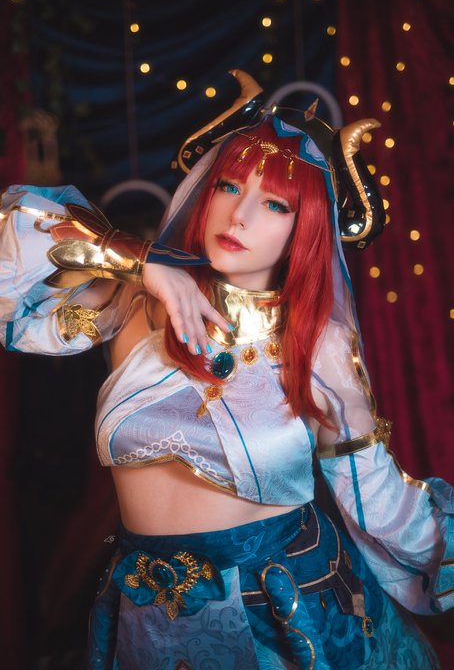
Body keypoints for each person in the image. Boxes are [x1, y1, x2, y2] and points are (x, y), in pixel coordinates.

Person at [0, 70, 452, 670]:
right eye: (229, 186)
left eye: (274, 204)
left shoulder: (319, 344)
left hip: (285, 616)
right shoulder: (137, 301)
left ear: (306, 228)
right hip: (145, 618)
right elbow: (11, 258)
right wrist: (138, 262)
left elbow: (375, 497)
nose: (239, 215)